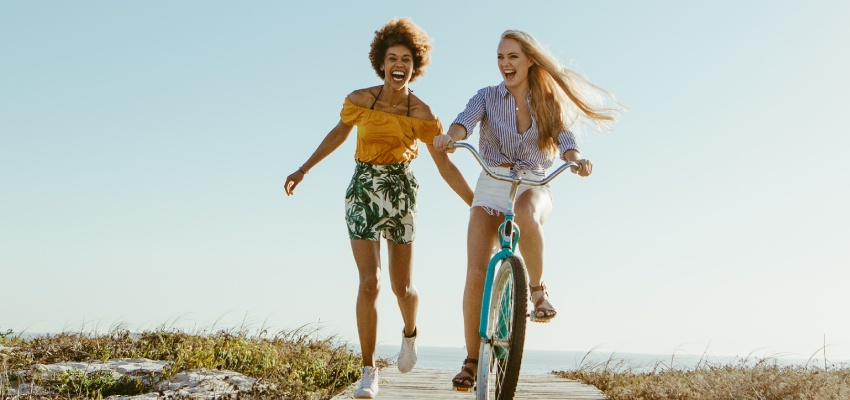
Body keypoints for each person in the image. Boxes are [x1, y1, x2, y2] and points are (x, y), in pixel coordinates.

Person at [284, 18, 473, 399]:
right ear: (381, 63)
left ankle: (410, 334)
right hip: (362, 190)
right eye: (392, 58)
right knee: (370, 281)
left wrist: (476, 203)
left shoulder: (422, 113)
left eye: (406, 59)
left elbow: (445, 166)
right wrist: (304, 169)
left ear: (414, 66)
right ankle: (368, 371)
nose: (398, 65)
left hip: (400, 191)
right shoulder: (360, 100)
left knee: (402, 287)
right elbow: (338, 133)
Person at [432, 29, 621, 390]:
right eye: (500, 58)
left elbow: (565, 139)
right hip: (492, 181)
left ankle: (536, 290)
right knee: (476, 271)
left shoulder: (547, 101)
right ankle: (471, 361)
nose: (505, 64)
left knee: (524, 213)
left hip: (534, 182)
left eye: (513, 57)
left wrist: (576, 159)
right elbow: (463, 122)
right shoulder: (487, 97)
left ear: (530, 60)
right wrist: (451, 138)